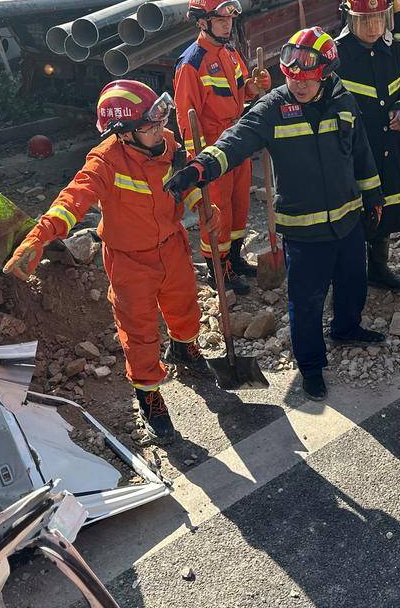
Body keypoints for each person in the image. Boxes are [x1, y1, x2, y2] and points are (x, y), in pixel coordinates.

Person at [164, 27, 386, 401]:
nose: (297, 86)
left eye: (307, 80)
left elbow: (360, 153)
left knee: (353, 281)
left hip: (347, 219)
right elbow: (236, 140)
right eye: (292, 78)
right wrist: (200, 168)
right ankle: (312, 367)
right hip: (303, 229)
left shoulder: (344, 102)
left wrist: (373, 195)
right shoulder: (273, 108)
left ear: (326, 74)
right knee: (307, 299)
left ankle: (347, 328)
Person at [4, 82, 213, 445]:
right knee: (139, 330)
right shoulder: (105, 161)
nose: (160, 127)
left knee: (185, 306)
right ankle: (148, 392)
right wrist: (39, 238)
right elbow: (72, 200)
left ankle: (184, 347)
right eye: (149, 123)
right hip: (130, 261)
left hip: (172, 247)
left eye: (160, 116)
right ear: (125, 132)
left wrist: (201, 206)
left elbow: (183, 181)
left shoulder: (166, 144)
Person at [173, 0, 272, 297]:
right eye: (220, 19)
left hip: (237, 139)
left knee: (239, 205)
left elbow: (244, 91)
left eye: (229, 18)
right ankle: (218, 270)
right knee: (217, 212)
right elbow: (185, 118)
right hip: (213, 148)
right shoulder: (192, 63)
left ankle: (235, 259)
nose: (228, 24)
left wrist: (258, 86)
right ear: (203, 22)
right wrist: (198, 162)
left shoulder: (230, 53)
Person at [336, 0, 400, 291]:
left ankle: (379, 267)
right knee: (356, 206)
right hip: (354, 146)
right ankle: (352, 272)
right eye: (365, 19)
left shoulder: (396, 50)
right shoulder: (337, 54)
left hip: (389, 140)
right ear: (351, 17)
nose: (373, 27)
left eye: (379, 19)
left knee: (387, 200)